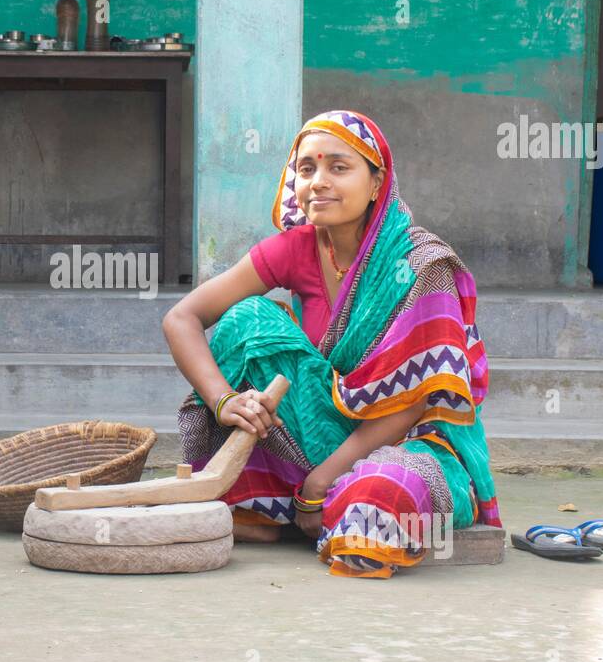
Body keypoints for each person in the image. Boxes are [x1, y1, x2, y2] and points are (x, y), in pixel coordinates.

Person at [162, 110, 501, 578]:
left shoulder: (422, 266)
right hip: (323, 428)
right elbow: (183, 317)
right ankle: (287, 505)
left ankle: (303, 508)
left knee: (383, 494)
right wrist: (225, 402)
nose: (318, 182)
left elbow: (414, 402)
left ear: (377, 182)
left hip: (409, 441)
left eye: (339, 168)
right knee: (247, 320)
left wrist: (319, 483)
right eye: (306, 169)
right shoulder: (296, 247)